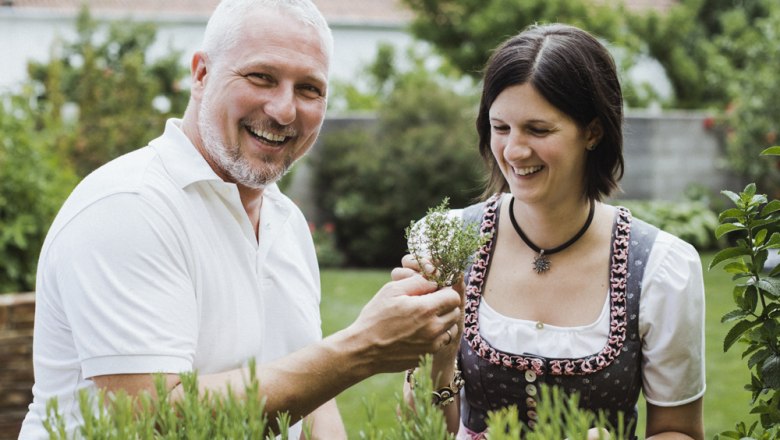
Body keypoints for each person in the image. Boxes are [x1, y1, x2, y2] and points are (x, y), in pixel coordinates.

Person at [19, 1, 462, 438]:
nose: (284, 110)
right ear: (201, 75)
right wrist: (361, 349)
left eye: (310, 89)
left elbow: (310, 396)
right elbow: (152, 415)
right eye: (261, 77)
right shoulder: (130, 205)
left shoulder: (284, 221)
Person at [400, 24, 705, 440]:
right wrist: (438, 359)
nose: (514, 151)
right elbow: (424, 431)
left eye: (538, 130)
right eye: (501, 127)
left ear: (593, 132)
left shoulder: (660, 267)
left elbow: (678, 430)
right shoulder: (443, 241)